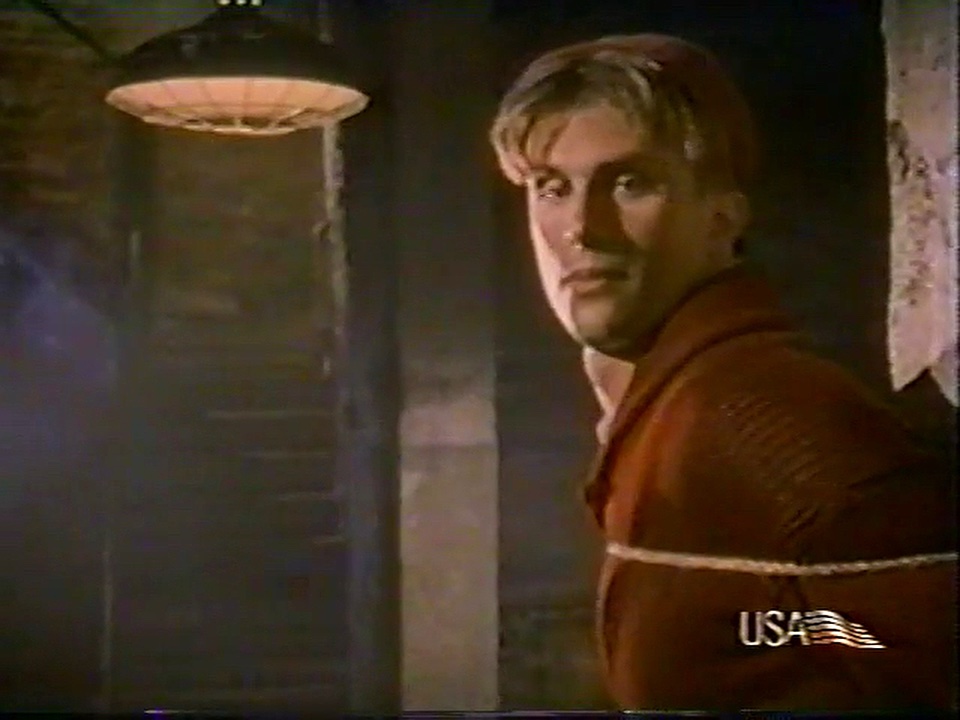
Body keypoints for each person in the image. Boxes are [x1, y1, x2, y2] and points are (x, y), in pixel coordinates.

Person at [488, 33, 957, 712]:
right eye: (551, 188)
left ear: (721, 216)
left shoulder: (770, 423)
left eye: (630, 183)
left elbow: (913, 655)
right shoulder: (667, 404)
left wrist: (772, 631)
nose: (581, 228)